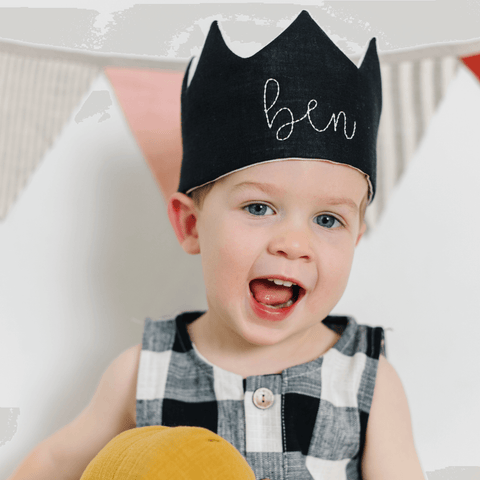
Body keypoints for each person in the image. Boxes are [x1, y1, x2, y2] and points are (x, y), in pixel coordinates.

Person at [8, 10, 426, 480]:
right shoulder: (144, 371)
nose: (293, 243)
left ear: (356, 237)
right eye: (259, 208)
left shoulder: (366, 381)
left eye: (328, 219)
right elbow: (54, 463)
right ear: (191, 224)